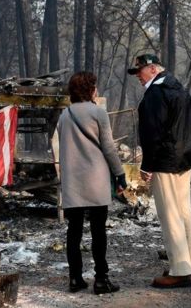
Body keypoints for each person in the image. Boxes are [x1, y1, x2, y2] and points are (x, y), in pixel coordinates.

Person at [127, 54, 191, 288]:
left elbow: (152, 133)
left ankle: (180, 270)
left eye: (139, 71)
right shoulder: (176, 86)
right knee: (183, 212)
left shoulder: (155, 93)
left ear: (152, 68)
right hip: (184, 156)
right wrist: (180, 134)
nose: (137, 75)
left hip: (165, 160)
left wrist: (147, 164)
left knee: (170, 214)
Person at [57, 71, 128, 294]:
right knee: (98, 231)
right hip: (96, 179)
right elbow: (108, 147)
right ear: (90, 90)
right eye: (94, 86)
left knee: (74, 232)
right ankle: (101, 279)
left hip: (72, 182)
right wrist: (119, 173)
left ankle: (75, 279)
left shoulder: (64, 116)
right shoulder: (98, 113)